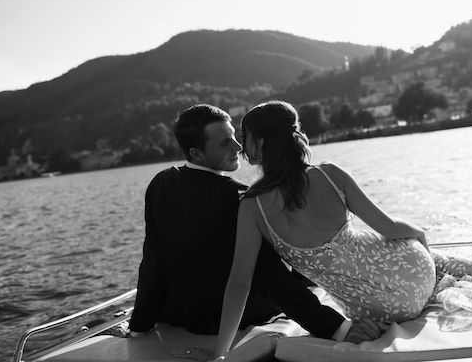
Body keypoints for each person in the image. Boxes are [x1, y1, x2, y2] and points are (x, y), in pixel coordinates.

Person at [128, 104, 384, 347]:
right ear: (196, 153)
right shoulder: (239, 198)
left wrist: (139, 326)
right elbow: (268, 274)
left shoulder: (160, 184)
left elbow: (153, 260)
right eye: (225, 142)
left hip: (182, 316)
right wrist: (337, 328)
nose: (238, 146)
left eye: (235, 137)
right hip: (238, 317)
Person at [212, 100, 439, 359]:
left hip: (384, 310)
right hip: (415, 271)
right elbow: (389, 227)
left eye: (246, 137)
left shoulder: (253, 208)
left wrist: (221, 354)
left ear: (262, 142)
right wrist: (419, 235)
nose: (242, 146)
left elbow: (240, 284)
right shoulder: (331, 174)